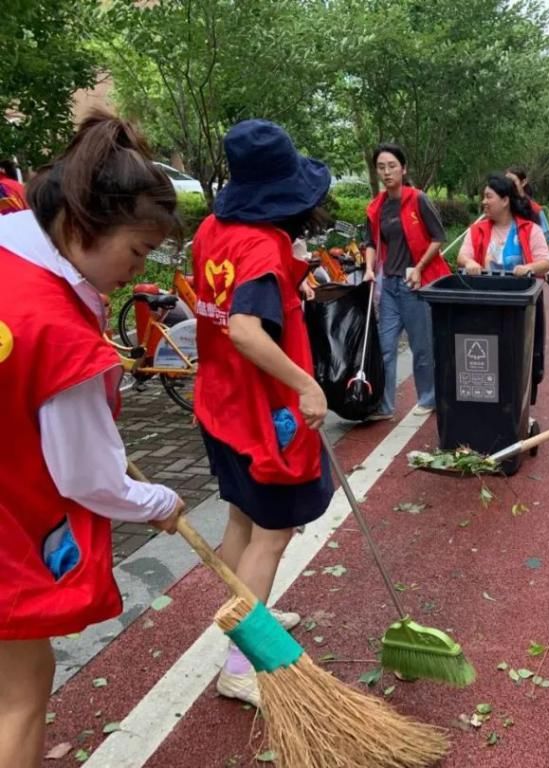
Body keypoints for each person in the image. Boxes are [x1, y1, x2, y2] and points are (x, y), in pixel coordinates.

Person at [0, 112, 185, 767]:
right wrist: (159, 501)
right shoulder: (58, 330)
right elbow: (88, 479)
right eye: (134, 253)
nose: (134, 275)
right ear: (80, 227)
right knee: (21, 691)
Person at [192, 119, 334, 705]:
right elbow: (247, 329)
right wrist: (307, 384)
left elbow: (222, 309)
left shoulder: (210, 229)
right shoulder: (263, 245)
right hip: (263, 415)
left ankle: (246, 618)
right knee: (273, 534)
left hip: (218, 404)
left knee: (242, 521)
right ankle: (240, 662)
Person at [363, 143, 448, 421]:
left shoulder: (418, 199)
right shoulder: (376, 207)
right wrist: (369, 269)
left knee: (420, 345)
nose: (386, 172)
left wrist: (420, 267)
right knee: (385, 347)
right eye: (381, 167)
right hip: (389, 285)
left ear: (403, 169)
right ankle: (385, 406)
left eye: (392, 166)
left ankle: (428, 397)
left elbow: (438, 237)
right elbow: (371, 243)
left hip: (415, 286)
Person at [457, 173, 549, 403]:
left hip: (521, 307)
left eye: (489, 196)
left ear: (505, 200)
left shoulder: (529, 230)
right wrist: (470, 263)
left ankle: (520, 406)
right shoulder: (478, 229)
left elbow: (546, 261)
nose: (484, 202)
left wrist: (527, 267)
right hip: (486, 305)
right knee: (489, 357)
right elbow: (463, 255)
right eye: (483, 197)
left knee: (519, 357)